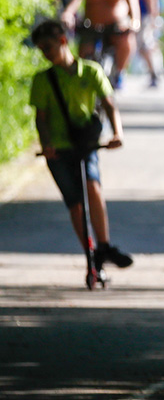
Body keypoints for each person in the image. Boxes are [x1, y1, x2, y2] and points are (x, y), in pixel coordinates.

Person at [29, 20, 133, 283]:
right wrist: (47, 144)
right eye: (41, 49)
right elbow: (41, 118)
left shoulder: (91, 71)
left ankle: (104, 246)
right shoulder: (42, 80)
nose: (46, 53)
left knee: (93, 187)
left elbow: (110, 105)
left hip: (86, 145)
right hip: (59, 151)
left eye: (49, 47)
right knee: (75, 204)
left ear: (63, 41)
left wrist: (117, 133)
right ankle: (91, 254)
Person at [60, 0, 140, 90]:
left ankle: (119, 74)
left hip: (117, 26)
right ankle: (84, 84)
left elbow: (133, 4)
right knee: (84, 53)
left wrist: (134, 22)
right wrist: (68, 14)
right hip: (92, 26)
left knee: (127, 42)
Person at [128, 0, 162, 88]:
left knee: (144, 46)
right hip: (143, 16)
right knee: (144, 46)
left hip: (144, 17)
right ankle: (154, 73)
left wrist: (154, 18)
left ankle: (154, 74)